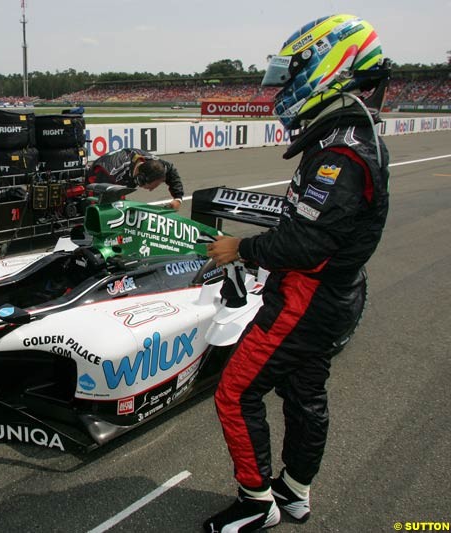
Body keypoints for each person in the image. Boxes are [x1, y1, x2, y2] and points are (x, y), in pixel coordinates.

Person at [202, 14, 391, 532]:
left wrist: (241, 247)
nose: (285, 87)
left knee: (235, 393)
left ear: (330, 65)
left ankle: (256, 501)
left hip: (305, 300)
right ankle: (295, 492)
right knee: (305, 394)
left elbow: (306, 242)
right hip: (332, 296)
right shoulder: (350, 135)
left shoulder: (341, 153)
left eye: (293, 72)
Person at [86, 148, 185, 209]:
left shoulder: (153, 163)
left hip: (119, 177)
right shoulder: (113, 174)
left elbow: (171, 171)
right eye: (151, 187)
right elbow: (98, 206)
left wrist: (178, 198)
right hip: (98, 176)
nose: (150, 190)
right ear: (141, 179)